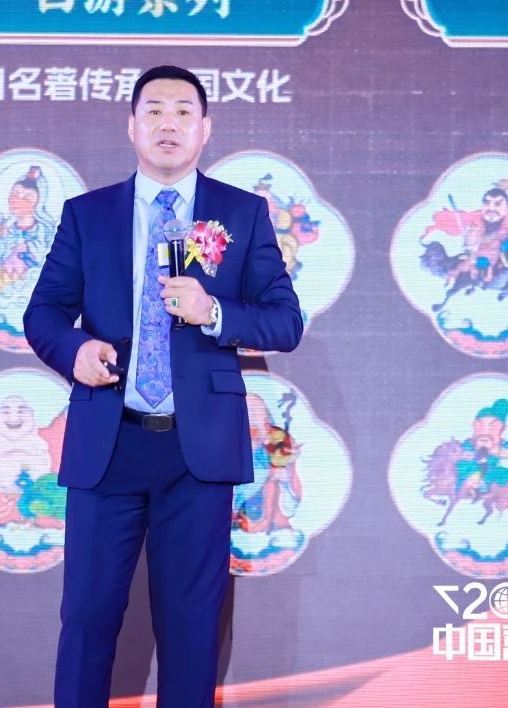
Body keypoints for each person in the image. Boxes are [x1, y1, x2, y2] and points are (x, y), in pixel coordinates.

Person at [24, 65, 302, 707]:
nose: (168, 123)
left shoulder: (243, 214)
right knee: (87, 619)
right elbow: (43, 314)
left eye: (183, 111)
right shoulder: (87, 215)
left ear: (205, 129)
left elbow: (285, 321)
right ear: (132, 126)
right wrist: (76, 351)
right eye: (153, 110)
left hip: (196, 451)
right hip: (109, 443)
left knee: (191, 628)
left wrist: (213, 311)